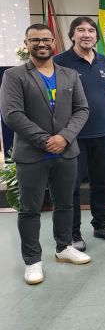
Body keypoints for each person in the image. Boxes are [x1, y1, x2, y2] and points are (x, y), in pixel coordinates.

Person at [0, 23, 91, 285]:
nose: (41, 44)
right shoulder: (14, 76)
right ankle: (32, 261)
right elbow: (12, 114)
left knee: (66, 204)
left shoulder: (70, 75)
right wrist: (45, 140)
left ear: (54, 42)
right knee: (30, 210)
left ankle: (63, 248)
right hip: (32, 154)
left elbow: (82, 109)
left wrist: (64, 137)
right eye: (35, 40)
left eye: (46, 39)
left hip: (66, 152)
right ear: (26, 43)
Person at [53, 17, 105, 251]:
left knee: (101, 183)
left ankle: (101, 224)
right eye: (81, 30)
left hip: (104, 133)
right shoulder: (60, 62)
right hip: (73, 136)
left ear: (96, 36)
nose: (86, 34)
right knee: (71, 187)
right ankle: (73, 234)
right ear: (72, 35)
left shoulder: (104, 61)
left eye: (91, 30)